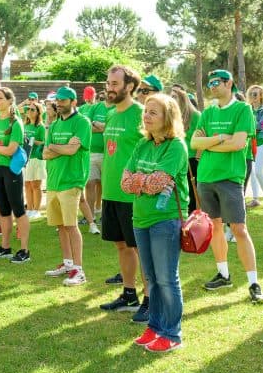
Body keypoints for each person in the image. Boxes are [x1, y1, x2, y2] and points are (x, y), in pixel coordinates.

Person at [191, 70, 263, 303]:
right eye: (210, 83)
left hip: (230, 178)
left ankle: (254, 283)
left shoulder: (243, 109)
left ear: (229, 83)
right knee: (214, 226)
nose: (212, 86)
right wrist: (220, 138)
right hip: (205, 177)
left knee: (239, 229)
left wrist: (209, 144)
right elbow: (194, 142)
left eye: (217, 82)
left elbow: (238, 144)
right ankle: (223, 275)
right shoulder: (208, 112)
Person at [121, 93, 188, 352]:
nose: (146, 116)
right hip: (140, 218)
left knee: (166, 278)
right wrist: (145, 182)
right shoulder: (142, 144)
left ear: (167, 118)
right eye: (145, 111)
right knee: (151, 278)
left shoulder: (176, 146)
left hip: (165, 220)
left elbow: (158, 183)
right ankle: (156, 326)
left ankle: (172, 333)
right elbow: (124, 182)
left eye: (153, 112)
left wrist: (140, 180)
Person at [98, 67, 147, 317]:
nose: (110, 88)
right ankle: (129, 294)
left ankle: (151, 300)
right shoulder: (110, 115)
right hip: (111, 191)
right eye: (108, 83)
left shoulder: (141, 113)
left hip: (132, 194)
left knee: (140, 248)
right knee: (121, 245)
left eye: (115, 83)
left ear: (129, 86)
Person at [42, 86, 92, 286]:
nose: (59, 103)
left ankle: (79, 270)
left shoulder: (82, 122)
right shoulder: (54, 124)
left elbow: (72, 151)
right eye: (58, 100)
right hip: (53, 181)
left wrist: (55, 147)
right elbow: (45, 153)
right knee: (60, 226)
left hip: (72, 181)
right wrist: (60, 147)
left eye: (63, 100)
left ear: (73, 102)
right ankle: (68, 263)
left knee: (71, 225)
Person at [0, 86, 31, 263]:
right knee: (3, 210)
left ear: (10, 101)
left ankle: (24, 250)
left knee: (18, 209)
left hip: (11, 170)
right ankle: (5, 247)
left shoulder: (15, 123)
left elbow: (11, 150)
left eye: (1, 98)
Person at [80, 85, 109, 234]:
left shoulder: (115, 109)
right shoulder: (95, 108)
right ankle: (90, 216)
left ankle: (104, 214)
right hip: (91, 153)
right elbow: (87, 126)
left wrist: (100, 126)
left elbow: (112, 128)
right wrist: (103, 127)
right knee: (90, 184)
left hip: (108, 154)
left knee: (105, 185)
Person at [247, 85, 263, 208]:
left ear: (261, 96)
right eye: (251, 94)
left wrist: (250, 126)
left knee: (258, 171)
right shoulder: (247, 109)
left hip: (261, 143)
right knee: (252, 172)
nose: (253, 96)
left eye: (255, 94)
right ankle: (255, 198)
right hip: (249, 144)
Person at [22, 101, 46, 220]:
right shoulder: (25, 126)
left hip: (36, 158)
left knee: (35, 185)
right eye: (28, 109)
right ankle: (29, 209)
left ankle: (36, 210)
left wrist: (32, 140)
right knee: (27, 185)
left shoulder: (40, 127)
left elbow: (44, 142)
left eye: (32, 109)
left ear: (38, 112)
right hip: (26, 158)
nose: (29, 111)